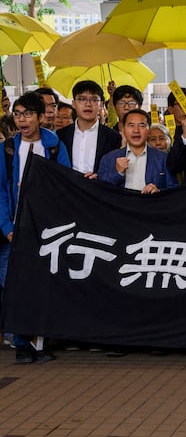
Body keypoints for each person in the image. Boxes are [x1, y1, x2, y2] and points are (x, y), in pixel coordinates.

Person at [0, 92, 70, 364]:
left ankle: (40, 341)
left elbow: (64, 184)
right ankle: (20, 341)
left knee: (43, 284)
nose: (22, 119)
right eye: (17, 114)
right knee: (13, 285)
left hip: (46, 229)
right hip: (14, 229)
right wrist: (6, 225)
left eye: (28, 114)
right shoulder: (7, 149)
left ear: (41, 117)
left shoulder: (54, 147)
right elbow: (2, 192)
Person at [98, 109, 178, 193]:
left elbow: (174, 190)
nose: (136, 130)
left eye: (142, 125)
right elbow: (100, 190)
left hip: (151, 205)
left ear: (148, 130)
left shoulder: (163, 158)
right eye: (131, 125)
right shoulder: (108, 158)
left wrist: (158, 192)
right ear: (124, 130)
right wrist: (118, 173)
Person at [57, 80, 122, 178]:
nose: (88, 104)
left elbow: (114, 171)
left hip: (98, 190)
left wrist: (101, 177)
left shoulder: (113, 137)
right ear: (74, 104)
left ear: (101, 104)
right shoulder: (61, 135)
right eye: (82, 99)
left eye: (94, 100)